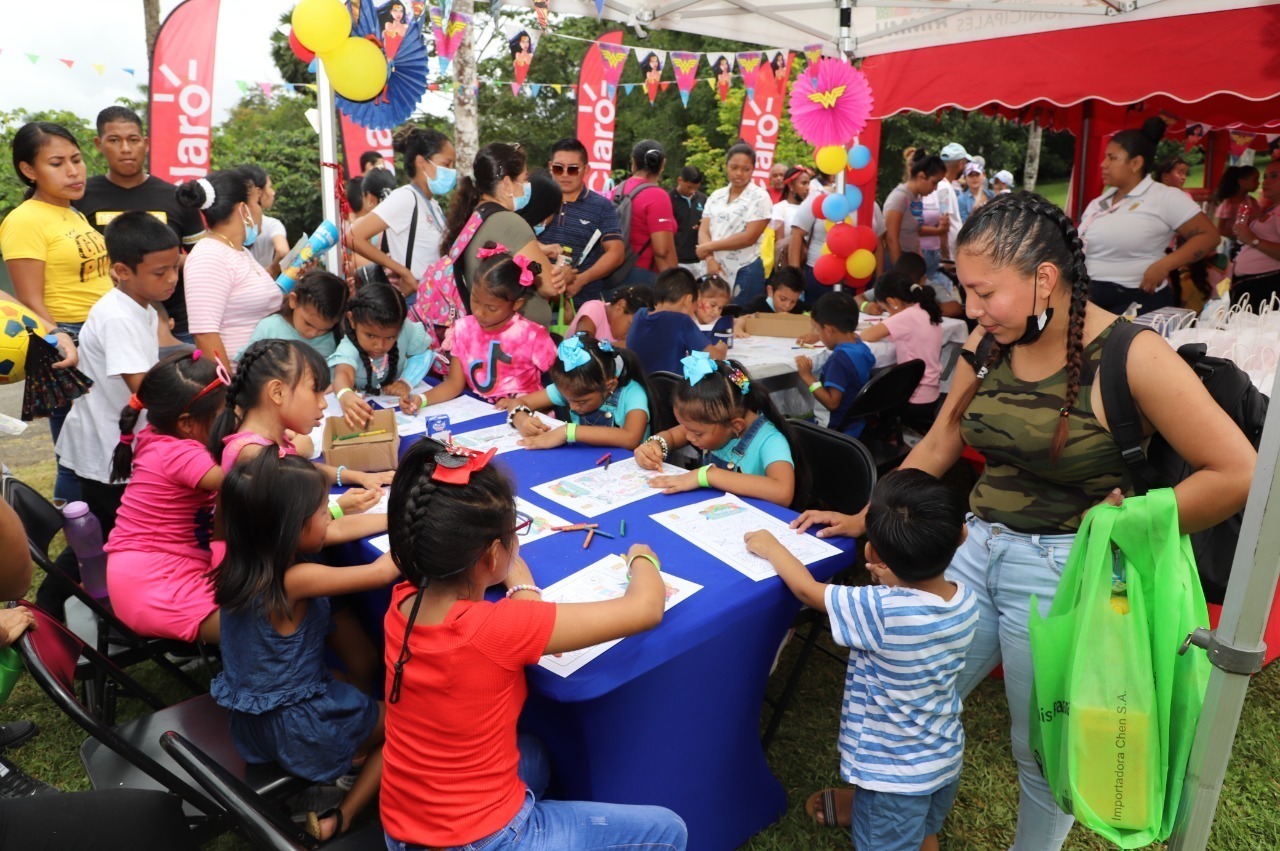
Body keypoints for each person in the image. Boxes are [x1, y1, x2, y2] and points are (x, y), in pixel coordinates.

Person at [792, 191, 1255, 851]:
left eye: (983, 291)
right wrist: (866, 513)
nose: (969, 309)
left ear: (1044, 277)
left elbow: (1237, 471)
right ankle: (899, 805)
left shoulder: (1134, 356)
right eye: (963, 288)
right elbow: (942, 441)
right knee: (924, 689)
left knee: (1039, 744)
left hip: (1067, 571)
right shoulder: (989, 341)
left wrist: (1131, 521)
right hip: (974, 550)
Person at [379, 438, 687, 851]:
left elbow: (515, 607)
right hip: (481, 839)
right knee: (668, 832)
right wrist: (642, 558)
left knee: (535, 756)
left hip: (403, 826)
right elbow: (645, 608)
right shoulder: (496, 628)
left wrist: (515, 578)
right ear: (490, 557)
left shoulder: (401, 602)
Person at [748, 468, 977, 849]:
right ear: (961, 535)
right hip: (942, 755)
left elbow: (808, 591)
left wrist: (772, 547)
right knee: (922, 831)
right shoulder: (964, 598)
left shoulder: (880, 610)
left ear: (872, 553)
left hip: (891, 778)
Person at [212, 451, 397, 842]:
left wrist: (394, 517)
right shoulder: (295, 578)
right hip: (300, 729)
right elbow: (382, 573)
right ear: (291, 530)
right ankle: (342, 813)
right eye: (321, 510)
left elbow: (335, 531)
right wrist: (430, 525)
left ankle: (343, 764)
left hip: (253, 723)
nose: (329, 515)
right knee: (410, 720)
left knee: (350, 682)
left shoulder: (245, 562)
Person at [0, 122, 107, 504]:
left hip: (99, 333)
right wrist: (58, 340)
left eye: (77, 160)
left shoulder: (72, 213)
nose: (74, 171)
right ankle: (78, 538)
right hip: (66, 340)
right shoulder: (24, 220)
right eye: (58, 163)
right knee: (74, 452)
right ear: (29, 170)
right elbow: (28, 299)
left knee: (103, 441)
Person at [56, 211, 177, 534]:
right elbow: (144, 388)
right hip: (107, 449)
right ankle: (62, 587)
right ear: (122, 271)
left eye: (175, 268)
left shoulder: (142, 307)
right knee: (113, 537)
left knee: (114, 536)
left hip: (119, 443)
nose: (172, 279)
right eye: (160, 272)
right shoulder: (118, 318)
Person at [103, 351, 229, 643]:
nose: (231, 419)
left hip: (159, 567)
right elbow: (244, 477)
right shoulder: (179, 453)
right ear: (186, 423)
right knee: (262, 623)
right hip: (153, 585)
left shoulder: (161, 436)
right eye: (223, 413)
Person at [75, 106, 205, 346]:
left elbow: (204, 260)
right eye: (114, 140)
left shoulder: (176, 197)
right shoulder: (80, 197)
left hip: (177, 324)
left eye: (133, 140)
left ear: (145, 143)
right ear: (98, 144)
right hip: (102, 323)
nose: (125, 149)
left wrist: (167, 262)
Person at [210, 339, 395, 499]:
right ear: (277, 392)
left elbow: (304, 468)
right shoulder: (254, 455)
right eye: (315, 390)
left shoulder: (267, 440)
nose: (323, 403)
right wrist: (339, 509)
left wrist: (360, 477)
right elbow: (298, 531)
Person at [1078, 119, 1219, 315]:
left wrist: (1165, 265)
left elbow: (1209, 236)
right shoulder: (1099, 203)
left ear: (1135, 163)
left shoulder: (1163, 197)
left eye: (1112, 158)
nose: (1103, 164)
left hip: (1137, 301)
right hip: (1092, 298)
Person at [637, 353, 799, 508]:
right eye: (686, 428)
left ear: (736, 426)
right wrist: (655, 445)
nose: (688, 436)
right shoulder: (715, 424)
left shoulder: (771, 441)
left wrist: (707, 475)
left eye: (697, 433)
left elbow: (782, 492)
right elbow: (672, 436)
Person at [446, 143, 565, 327]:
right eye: (524, 180)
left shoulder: (477, 214)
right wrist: (563, 273)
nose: (526, 187)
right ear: (508, 183)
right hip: (516, 341)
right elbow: (550, 286)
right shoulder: (509, 221)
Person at [179, 167, 283, 368]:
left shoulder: (240, 252)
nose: (261, 210)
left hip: (261, 379)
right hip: (239, 385)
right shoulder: (209, 256)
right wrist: (228, 393)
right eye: (256, 202)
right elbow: (205, 335)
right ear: (243, 209)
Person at [432, 244, 557, 403]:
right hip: (481, 415)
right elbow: (454, 384)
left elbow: (563, 387)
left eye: (491, 308)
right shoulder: (463, 329)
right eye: (475, 300)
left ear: (516, 304)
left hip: (527, 419)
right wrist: (420, 400)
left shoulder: (532, 336)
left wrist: (523, 403)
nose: (479, 312)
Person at [349, 128, 455, 296]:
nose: (452, 171)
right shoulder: (406, 198)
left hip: (435, 299)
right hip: (416, 300)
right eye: (446, 164)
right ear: (422, 162)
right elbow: (352, 236)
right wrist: (403, 273)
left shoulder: (433, 204)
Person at [506, 332, 653, 450]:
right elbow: (518, 402)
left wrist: (567, 432)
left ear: (610, 386)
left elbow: (631, 438)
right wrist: (522, 421)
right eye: (568, 399)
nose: (573, 406)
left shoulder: (633, 393)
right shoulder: (573, 387)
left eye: (582, 401)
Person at [331, 283, 444, 429]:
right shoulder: (349, 346)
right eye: (370, 335)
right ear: (352, 320)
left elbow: (423, 352)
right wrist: (345, 394)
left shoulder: (405, 329)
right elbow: (343, 372)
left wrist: (406, 382)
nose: (379, 345)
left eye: (390, 338)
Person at [537, 138, 624, 306]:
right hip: (535, 303)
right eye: (558, 168)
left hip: (582, 306)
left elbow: (616, 253)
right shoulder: (535, 200)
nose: (564, 174)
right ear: (550, 167)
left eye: (573, 169)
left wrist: (582, 279)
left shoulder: (601, 206)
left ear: (586, 170)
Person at [857, 270, 945, 432]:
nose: (887, 313)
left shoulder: (907, 316)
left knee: (864, 389)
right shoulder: (925, 309)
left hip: (912, 398)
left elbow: (865, 335)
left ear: (892, 302)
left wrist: (889, 319)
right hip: (931, 393)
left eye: (886, 308)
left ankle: (875, 436)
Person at [698, 144, 772, 306]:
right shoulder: (716, 196)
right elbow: (704, 230)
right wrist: (709, 258)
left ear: (753, 170)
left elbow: (749, 237)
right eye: (734, 167)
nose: (739, 173)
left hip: (745, 270)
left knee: (740, 320)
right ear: (727, 167)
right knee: (710, 318)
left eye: (746, 169)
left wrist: (708, 248)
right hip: (713, 269)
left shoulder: (760, 197)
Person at [796, 292, 876, 438]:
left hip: (833, 429)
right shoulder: (861, 347)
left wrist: (807, 377)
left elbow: (832, 403)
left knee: (786, 426)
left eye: (818, 331)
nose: (818, 335)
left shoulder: (838, 360)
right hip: (855, 425)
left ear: (828, 329)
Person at [626, 268, 726, 375]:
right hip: (671, 389)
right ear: (688, 300)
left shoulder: (639, 315)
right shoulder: (682, 321)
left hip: (640, 387)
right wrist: (721, 349)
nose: (692, 315)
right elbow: (714, 358)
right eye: (694, 307)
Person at [610, 140, 679, 288]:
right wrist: (675, 287)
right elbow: (663, 251)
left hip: (613, 273)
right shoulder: (657, 195)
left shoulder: (616, 190)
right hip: (643, 278)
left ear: (633, 162)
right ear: (662, 165)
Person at [243, 269, 348, 359]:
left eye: (324, 330)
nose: (313, 333)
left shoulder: (333, 339)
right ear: (294, 300)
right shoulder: (269, 328)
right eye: (308, 324)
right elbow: (248, 367)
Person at [884, 148, 947, 270]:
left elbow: (915, 233)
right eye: (934, 182)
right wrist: (900, 273)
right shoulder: (899, 198)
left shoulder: (916, 198)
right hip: (897, 261)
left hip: (910, 261)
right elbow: (891, 239)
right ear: (921, 176)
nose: (935, 189)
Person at [1229, 159, 1280, 306]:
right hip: (1253, 285)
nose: (1265, 182)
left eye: (1274, 176)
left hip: (1265, 286)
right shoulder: (1273, 209)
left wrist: (1253, 240)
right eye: (1265, 177)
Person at [238, 165, 289, 279]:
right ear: (258, 192)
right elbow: (283, 251)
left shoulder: (231, 223)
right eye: (270, 187)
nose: (273, 192)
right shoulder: (272, 224)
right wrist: (272, 270)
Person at [565, 285, 654, 345]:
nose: (630, 335)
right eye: (630, 326)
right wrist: (620, 347)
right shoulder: (594, 308)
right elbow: (582, 343)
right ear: (621, 306)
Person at [1214, 164, 1260, 256]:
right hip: (1234, 245)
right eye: (1255, 180)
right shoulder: (1229, 204)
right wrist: (1239, 236)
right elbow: (1220, 229)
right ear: (1242, 182)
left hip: (1250, 243)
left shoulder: (1252, 201)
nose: (1258, 183)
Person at [670, 165, 707, 277]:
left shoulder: (704, 199)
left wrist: (704, 225)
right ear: (680, 180)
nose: (693, 191)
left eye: (696, 188)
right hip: (677, 261)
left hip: (700, 261)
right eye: (689, 187)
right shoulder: (668, 200)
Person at [769, 167, 811, 262]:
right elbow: (779, 244)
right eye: (803, 183)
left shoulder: (811, 209)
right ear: (791, 185)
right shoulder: (778, 209)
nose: (808, 188)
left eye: (809, 183)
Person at [937, 142, 970, 260]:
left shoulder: (944, 185)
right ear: (961, 164)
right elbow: (943, 225)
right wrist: (945, 257)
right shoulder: (944, 188)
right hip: (946, 258)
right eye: (965, 163)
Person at [739, 264, 805, 317]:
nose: (787, 306)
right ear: (770, 291)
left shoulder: (798, 308)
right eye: (783, 299)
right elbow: (740, 320)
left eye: (793, 302)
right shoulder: (757, 304)